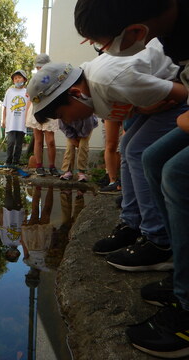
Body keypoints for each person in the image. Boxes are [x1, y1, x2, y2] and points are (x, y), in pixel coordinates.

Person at [28, 43, 189, 357]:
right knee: (141, 154)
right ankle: (150, 233)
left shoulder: (110, 80)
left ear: (75, 92)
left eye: (62, 114)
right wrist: (145, 108)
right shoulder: (96, 87)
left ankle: (159, 241)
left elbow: (181, 92)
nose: (66, 122)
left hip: (179, 103)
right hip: (164, 103)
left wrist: (154, 106)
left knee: (159, 164)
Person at [74, 1, 189, 356]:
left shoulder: (112, 74)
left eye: (101, 44)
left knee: (175, 171)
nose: (103, 53)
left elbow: (174, 96)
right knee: (152, 157)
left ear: (136, 31)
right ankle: (173, 261)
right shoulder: (170, 34)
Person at [26, 54, 59, 177]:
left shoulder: (55, 77)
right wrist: (26, 116)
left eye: (42, 67)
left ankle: (52, 166)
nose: (40, 69)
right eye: (39, 67)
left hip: (50, 110)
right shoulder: (34, 79)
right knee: (38, 140)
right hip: (36, 109)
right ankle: (39, 166)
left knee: (50, 141)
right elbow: (29, 96)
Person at [58, 115, 98, 182]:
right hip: (71, 129)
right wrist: (73, 139)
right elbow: (64, 127)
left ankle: (81, 172)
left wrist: (79, 138)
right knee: (69, 147)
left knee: (82, 146)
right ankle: (68, 171)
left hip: (86, 128)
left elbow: (87, 128)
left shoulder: (85, 112)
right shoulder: (62, 113)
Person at [2, 69, 30, 166]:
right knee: (10, 142)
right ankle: (8, 161)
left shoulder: (27, 92)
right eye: (15, 78)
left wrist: (28, 120)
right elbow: (5, 106)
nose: (18, 80)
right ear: (13, 80)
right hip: (11, 122)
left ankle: (16, 161)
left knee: (19, 144)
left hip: (22, 122)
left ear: (24, 79)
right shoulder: (9, 91)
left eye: (19, 78)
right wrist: (4, 119)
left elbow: (29, 107)